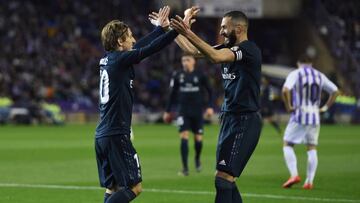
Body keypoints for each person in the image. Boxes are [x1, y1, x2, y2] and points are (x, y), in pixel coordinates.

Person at [171, 9, 262, 203]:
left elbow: (215, 57)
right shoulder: (227, 48)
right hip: (229, 119)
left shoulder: (248, 50)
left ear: (238, 28)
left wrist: (188, 31)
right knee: (226, 179)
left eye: (224, 27)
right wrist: (169, 29)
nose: (221, 31)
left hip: (244, 120)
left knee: (223, 179)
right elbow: (193, 52)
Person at [94, 6, 179, 203]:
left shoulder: (109, 60)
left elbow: (138, 47)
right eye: (129, 36)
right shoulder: (120, 61)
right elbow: (148, 50)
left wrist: (159, 29)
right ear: (119, 41)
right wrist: (176, 30)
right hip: (116, 134)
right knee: (135, 187)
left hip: (102, 135)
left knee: (113, 188)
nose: (133, 40)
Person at [281, 55, 339, 189]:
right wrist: (324, 108)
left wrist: (288, 106)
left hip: (300, 113)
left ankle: (294, 174)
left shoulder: (296, 73)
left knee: (287, 144)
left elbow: (285, 90)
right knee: (311, 147)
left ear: (298, 63)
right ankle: (309, 182)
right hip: (315, 115)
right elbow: (335, 91)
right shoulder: (319, 75)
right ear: (311, 63)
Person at [163, 54, 214, 176]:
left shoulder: (201, 75)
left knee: (198, 140)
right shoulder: (177, 75)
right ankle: (185, 167)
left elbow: (210, 91)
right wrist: (168, 110)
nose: (185, 62)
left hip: (197, 111)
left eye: (188, 60)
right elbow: (172, 94)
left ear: (194, 62)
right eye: (183, 60)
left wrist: (209, 107)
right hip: (183, 111)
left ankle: (197, 158)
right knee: (184, 136)